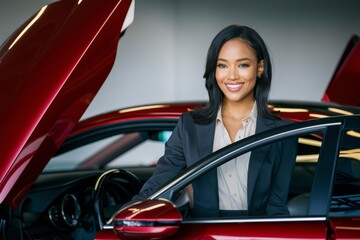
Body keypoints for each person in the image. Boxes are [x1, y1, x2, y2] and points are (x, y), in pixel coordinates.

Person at [131, 25, 297, 217]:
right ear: (214, 70)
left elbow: (276, 207)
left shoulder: (284, 132)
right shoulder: (189, 126)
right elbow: (158, 185)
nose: (232, 75)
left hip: (257, 234)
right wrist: (128, 215)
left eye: (243, 65)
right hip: (205, 234)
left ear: (259, 67)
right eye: (222, 65)